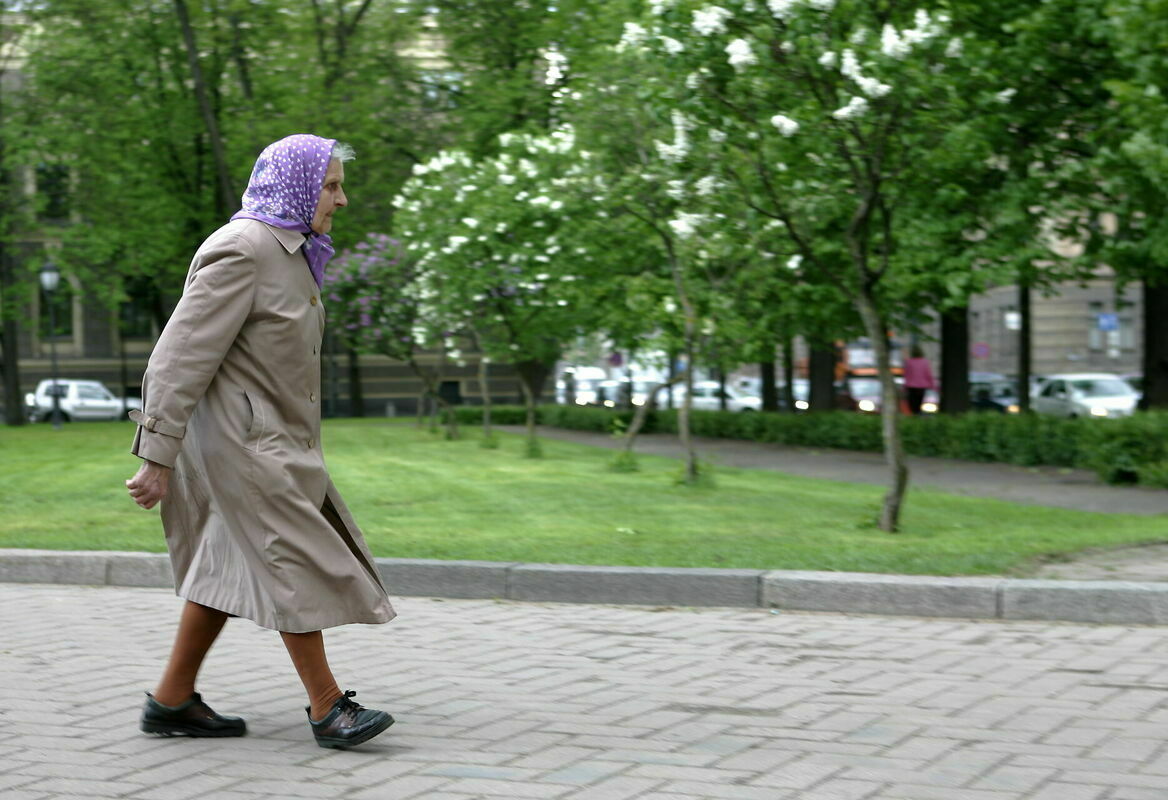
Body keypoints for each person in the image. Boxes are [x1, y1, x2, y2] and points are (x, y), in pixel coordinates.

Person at [124, 134, 396, 750]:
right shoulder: (243, 250)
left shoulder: (292, 252)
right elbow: (177, 359)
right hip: (246, 447)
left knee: (222, 566)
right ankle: (328, 707)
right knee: (293, 558)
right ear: (298, 185)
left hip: (272, 440)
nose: (342, 199)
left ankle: (171, 700)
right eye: (330, 186)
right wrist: (156, 455)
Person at [903, 344, 936, 416]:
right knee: (919, 402)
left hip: (911, 386)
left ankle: (914, 415)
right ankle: (917, 415)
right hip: (922, 387)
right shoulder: (925, 362)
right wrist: (933, 386)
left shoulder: (909, 362)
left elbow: (907, 375)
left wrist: (905, 387)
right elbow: (928, 374)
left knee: (912, 404)